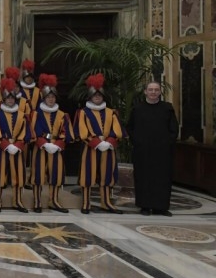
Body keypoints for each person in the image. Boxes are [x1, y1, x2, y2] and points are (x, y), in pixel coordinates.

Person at [127, 81, 179, 217]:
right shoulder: (137, 109)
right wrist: (137, 142)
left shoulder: (167, 108)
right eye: (150, 90)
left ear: (160, 92)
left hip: (163, 152)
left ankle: (161, 207)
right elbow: (130, 128)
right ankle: (145, 206)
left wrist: (167, 143)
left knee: (162, 178)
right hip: (142, 151)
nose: (153, 92)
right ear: (145, 92)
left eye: (156, 90)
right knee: (143, 178)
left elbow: (174, 129)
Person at [76, 73, 123, 214]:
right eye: (94, 96)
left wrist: (109, 142)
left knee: (107, 175)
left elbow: (117, 130)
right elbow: (82, 132)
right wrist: (96, 142)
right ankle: (86, 203)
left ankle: (106, 202)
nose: (97, 97)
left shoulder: (111, 112)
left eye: (99, 96)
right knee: (88, 175)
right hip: (91, 148)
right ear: (90, 97)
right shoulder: (84, 112)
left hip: (108, 149)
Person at [0, 78, 32, 213]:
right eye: (8, 99)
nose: (10, 101)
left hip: (17, 149)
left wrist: (18, 144)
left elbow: (26, 131)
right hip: (2, 148)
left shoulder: (22, 115)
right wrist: (6, 144)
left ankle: (17, 201)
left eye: (12, 99)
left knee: (18, 176)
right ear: (4, 99)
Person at [30, 74, 72, 213]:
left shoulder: (62, 115)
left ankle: (54, 200)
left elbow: (66, 131)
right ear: (44, 98)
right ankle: (37, 200)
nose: (51, 99)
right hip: (41, 147)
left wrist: (58, 144)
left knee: (56, 174)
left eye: (53, 97)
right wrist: (44, 143)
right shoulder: (37, 113)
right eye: (48, 97)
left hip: (57, 148)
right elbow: (34, 130)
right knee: (38, 175)